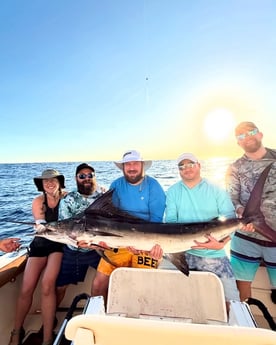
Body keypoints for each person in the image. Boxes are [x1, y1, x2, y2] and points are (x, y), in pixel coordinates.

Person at [165, 153, 240, 310]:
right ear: (179, 171)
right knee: (165, 294)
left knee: (232, 303)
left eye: (191, 164)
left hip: (214, 253)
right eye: (182, 166)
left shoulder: (216, 188)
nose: (187, 169)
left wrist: (222, 244)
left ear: (199, 165)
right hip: (181, 252)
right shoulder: (173, 191)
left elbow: (230, 217)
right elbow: (170, 223)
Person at [92, 150, 166, 304]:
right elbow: (109, 218)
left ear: (142, 165)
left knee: (142, 287)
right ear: (123, 167)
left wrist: (142, 245)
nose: (132, 168)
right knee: (98, 284)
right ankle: (101, 320)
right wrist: (107, 241)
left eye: (135, 164)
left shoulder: (153, 186)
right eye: (128, 164)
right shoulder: (116, 185)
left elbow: (156, 222)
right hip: (119, 242)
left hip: (146, 243)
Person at [9, 169, 66, 345]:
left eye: (53, 180)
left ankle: (47, 338)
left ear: (59, 182)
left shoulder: (68, 197)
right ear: (41, 185)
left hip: (59, 245)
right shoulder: (38, 201)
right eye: (45, 181)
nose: (49, 183)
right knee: (26, 289)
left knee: (47, 286)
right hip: (40, 244)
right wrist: (42, 227)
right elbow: (41, 225)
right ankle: (16, 331)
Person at [226, 121, 276, 301]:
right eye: (240, 136)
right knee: (240, 290)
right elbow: (232, 199)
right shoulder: (235, 168)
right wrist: (241, 213)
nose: (246, 137)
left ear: (260, 134)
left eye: (250, 132)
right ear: (238, 143)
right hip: (246, 237)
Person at [55, 163, 105, 306]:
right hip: (74, 250)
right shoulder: (68, 200)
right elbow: (63, 229)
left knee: (111, 278)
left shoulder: (103, 195)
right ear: (76, 179)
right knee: (60, 287)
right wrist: (76, 243)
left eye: (90, 175)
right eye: (82, 176)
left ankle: (102, 313)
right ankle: (51, 317)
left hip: (99, 249)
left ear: (95, 177)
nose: (86, 178)